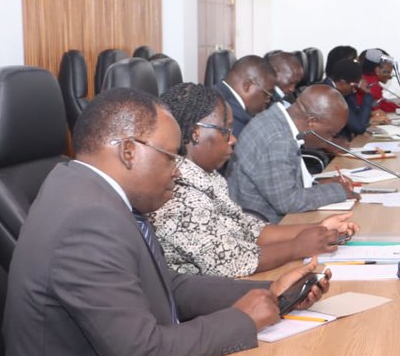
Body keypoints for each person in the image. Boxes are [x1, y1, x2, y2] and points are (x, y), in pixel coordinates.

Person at [2, 88, 330, 356]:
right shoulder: (89, 218)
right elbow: (143, 355)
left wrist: (271, 291)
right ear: (129, 151)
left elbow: (166, 284)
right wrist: (242, 319)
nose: (178, 169)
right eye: (171, 156)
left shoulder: (86, 188)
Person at [150, 83, 359, 277]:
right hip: (209, 299)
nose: (234, 139)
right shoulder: (177, 192)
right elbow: (228, 262)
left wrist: (318, 228)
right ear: (196, 133)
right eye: (226, 130)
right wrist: (297, 246)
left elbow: (249, 228)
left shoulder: (208, 176)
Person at [226, 85, 359, 222]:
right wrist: (338, 191)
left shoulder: (274, 120)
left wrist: (321, 184)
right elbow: (288, 202)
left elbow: (283, 182)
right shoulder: (278, 139)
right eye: (330, 133)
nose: (330, 140)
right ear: (312, 122)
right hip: (265, 226)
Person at [321, 57, 387, 139]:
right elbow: (359, 128)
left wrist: (369, 120)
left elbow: (356, 117)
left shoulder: (337, 89)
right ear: (342, 83)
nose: (354, 89)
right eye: (353, 86)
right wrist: (368, 94)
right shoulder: (330, 95)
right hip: (330, 147)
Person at [216, 55, 277, 138]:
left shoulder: (216, 93)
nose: (268, 100)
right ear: (247, 86)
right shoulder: (231, 116)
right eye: (267, 94)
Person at [361, 47, 399, 113]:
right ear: (377, 70)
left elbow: (381, 104)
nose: (390, 76)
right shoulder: (372, 84)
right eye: (388, 71)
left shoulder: (367, 79)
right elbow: (377, 109)